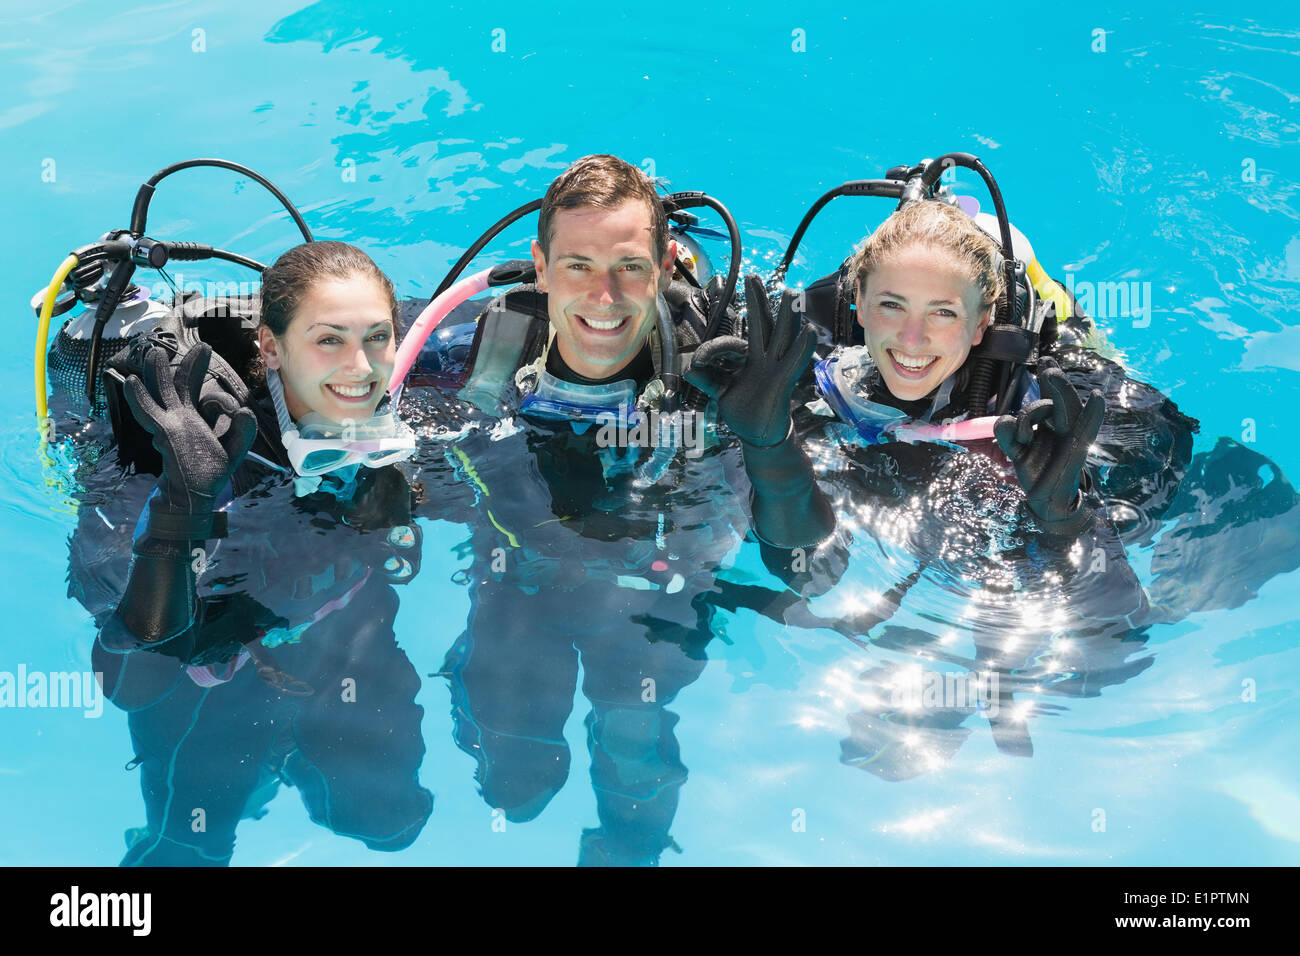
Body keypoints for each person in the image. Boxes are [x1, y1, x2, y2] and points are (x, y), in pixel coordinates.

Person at [406, 154, 832, 864]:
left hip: (655, 598)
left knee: (637, 766)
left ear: (666, 265)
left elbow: (809, 567)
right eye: (578, 266)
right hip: (521, 582)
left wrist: (771, 441)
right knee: (516, 783)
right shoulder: (466, 353)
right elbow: (325, 340)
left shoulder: (727, 375)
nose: (604, 296)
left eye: (629, 267)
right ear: (539, 267)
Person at [70, 241, 433, 865]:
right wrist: (182, 505)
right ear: (270, 347)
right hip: (212, 684)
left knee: (386, 817)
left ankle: (295, 755)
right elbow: (128, 678)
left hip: (340, 644)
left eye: (378, 337)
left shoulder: (401, 414)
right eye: (328, 340)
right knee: (191, 846)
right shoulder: (190, 440)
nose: (360, 367)